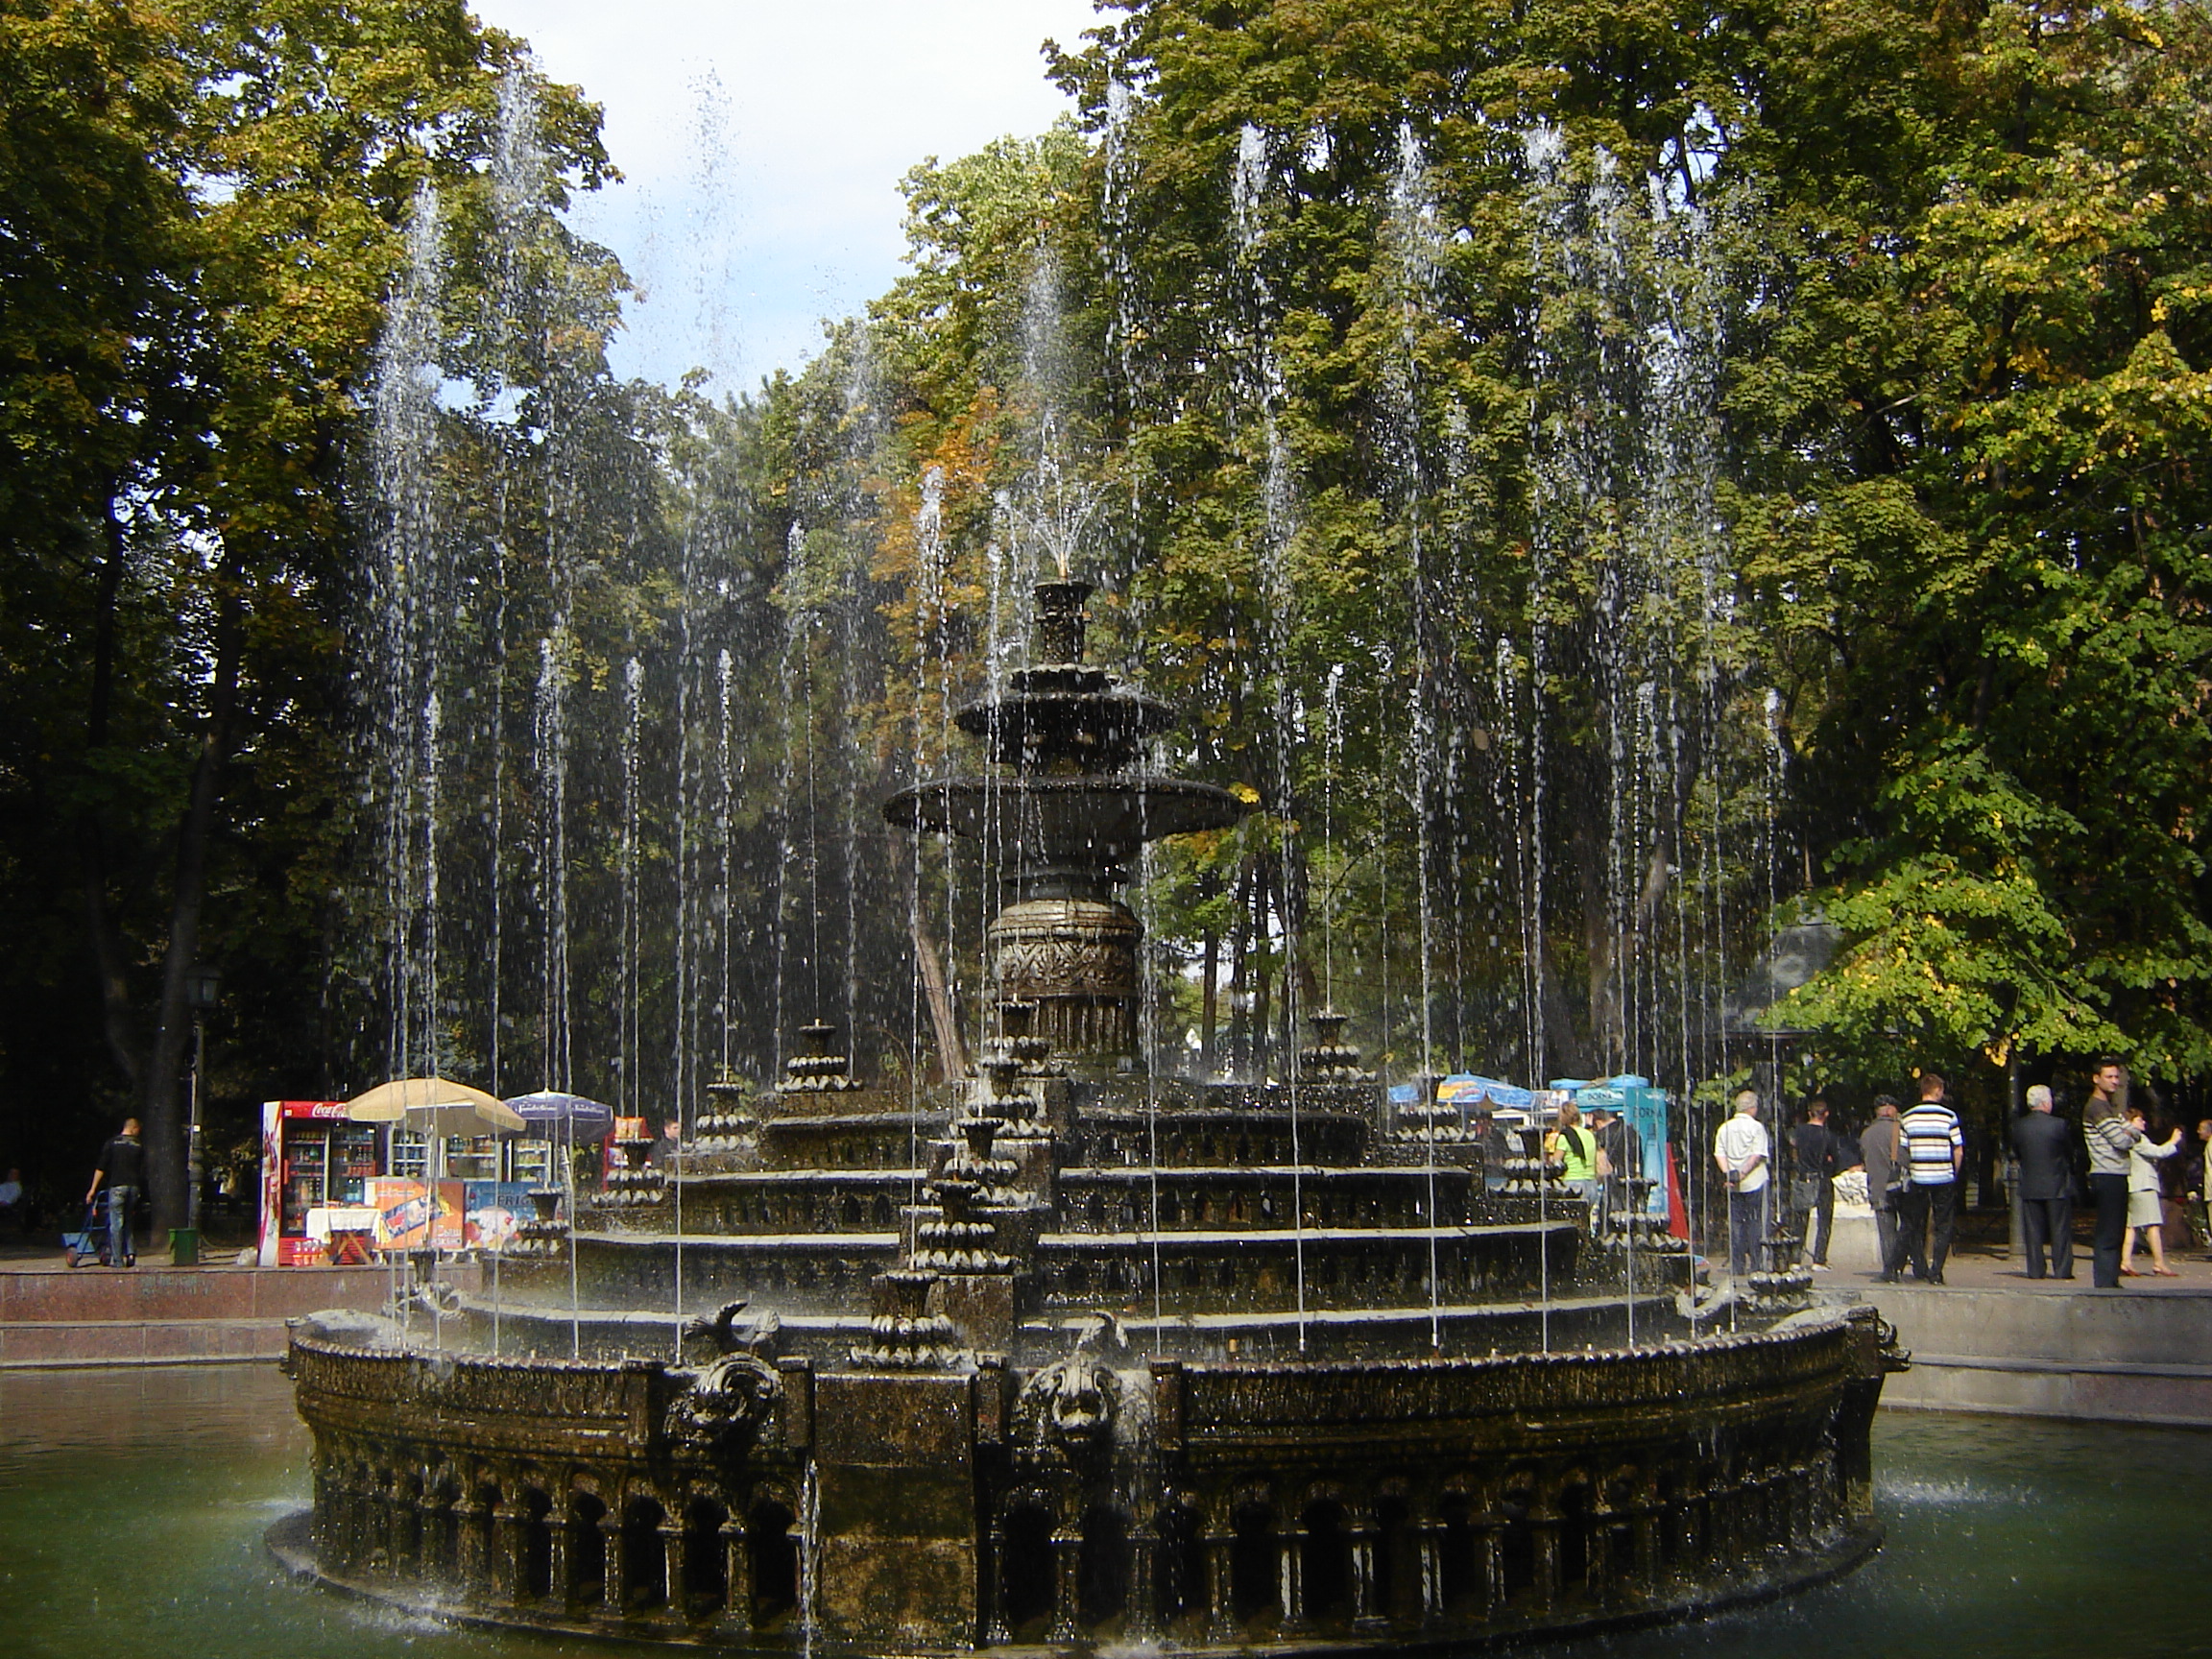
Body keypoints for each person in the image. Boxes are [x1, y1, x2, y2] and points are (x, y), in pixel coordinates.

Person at [1896, 1071, 1963, 1285]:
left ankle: (1910, 1266)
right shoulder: (1949, 1116)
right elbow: (1958, 1149)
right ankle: (1936, 1271)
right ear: (1937, 1090)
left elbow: (1903, 1150)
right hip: (1943, 1176)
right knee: (1943, 1225)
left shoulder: (1908, 1117)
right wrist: (1954, 1172)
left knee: (1913, 1223)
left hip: (1918, 1176)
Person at [2081, 1060, 2141, 1288]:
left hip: (2116, 1174)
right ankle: (2105, 1283)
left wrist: (2129, 1131)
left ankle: (2111, 1281)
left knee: (2116, 1230)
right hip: (2107, 1175)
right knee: (2109, 1231)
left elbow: (2126, 1135)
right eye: (2109, 1077)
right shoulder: (2097, 1108)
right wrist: (2133, 1131)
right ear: (2096, 1079)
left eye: (2116, 1077)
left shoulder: (2108, 1107)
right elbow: (2121, 1141)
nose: (2115, 1081)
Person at [2011, 1084, 2076, 1280]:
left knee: (2033, 1230)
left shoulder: (2019, 1126)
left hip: (2030, 1183)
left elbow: (2015, 1152)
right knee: (2060, 1229)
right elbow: (2069, 1152)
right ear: (2047, 1102)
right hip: (2056, 1183)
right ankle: (2062, 1269)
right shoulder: (2059, 1125)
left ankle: (2035, 1270)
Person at [1713, 1090, 1770, 1281]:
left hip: (1732, 1185)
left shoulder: (1724, 1128)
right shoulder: (1757, 1127)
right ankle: (1756, 1265)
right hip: (1755, 1182)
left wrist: (1729, 1174)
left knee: (1736, 1225)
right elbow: (1756, 1155)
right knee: (1756, 1223)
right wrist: (1743, 1173)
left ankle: (1737, 1266)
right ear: (1752, 1108)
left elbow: (1719, 1153)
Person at [2119, 1103, 2182, 1278]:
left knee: (2131, 1226)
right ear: (2131, 1122)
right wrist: (2173, 1141)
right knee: (2152, 1225)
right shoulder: (2137, 1138)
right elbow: (2158, 1152)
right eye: (2140, 1120)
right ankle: (2159, 1262)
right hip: (2144, 1185)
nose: (2144, 1123)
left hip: (2132, 1185)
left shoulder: (2123, 1138)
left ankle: (2126, 1261)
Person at [1788, 1096, 1849, 1269]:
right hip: (1822, 1178)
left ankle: (1795, 1259)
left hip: (1802, 1177)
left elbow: (1792, 1150)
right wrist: (1829, 1163)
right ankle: (1819, 1259)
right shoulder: (1829, 1136)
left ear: (1810, 1113)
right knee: (1824, 1220)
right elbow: (1837, 1160)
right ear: (1826, 1114)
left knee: (1800, 1219)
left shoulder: (1798, 1132)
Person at [84, 1118, 145, 1269]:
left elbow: (101, 1167)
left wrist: (93, 1189)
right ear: (133, 1128)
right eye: (138, 1130)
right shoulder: (139, 1145)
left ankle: (118, 1260)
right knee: (128, 1221)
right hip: (133, 1187)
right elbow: (142, 1170)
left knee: (116, 1224)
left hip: (117, 1186)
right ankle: (130, 1253)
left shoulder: (112, 1143)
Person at [1861, 1096, 1907, 1282]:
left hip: (1878, 1189)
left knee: (1886, 1233)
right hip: (1901, 1188)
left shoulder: (1866, 1134)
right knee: (1909, 1228)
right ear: (1889, 1110)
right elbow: (1906, 1159)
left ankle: (1890, 1271)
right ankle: (1917, 1267)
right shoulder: (1899, 1130)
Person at [1545, 1102, 1602, 1212]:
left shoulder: (1565, 1136)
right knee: (1585, 1218)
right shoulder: (1589, 1134)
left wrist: (1548, 1157)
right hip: (1591, 1184)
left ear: (1562, 1117)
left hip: (1572, 1183)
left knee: (1571, 1219)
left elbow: (1556, 1162)